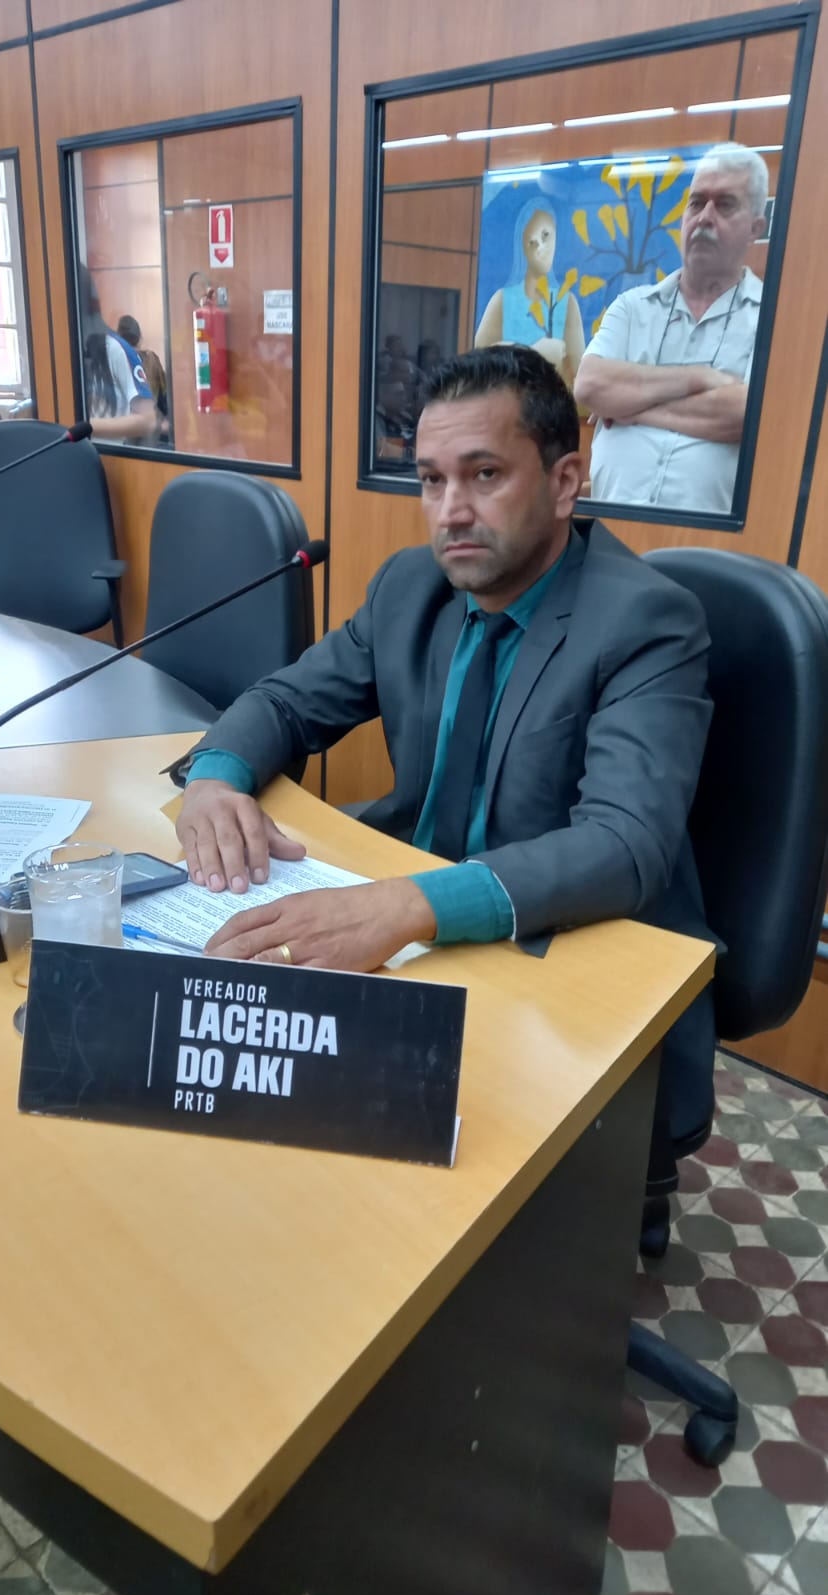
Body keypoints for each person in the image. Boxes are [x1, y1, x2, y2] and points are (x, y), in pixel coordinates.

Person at [173, 344, 715, 1156]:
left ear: (566, 481)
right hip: (411, 949)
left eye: (484, 474)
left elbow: (624, 844)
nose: (451, 511)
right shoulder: (411, 586)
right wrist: (215, 780)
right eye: (432, 480)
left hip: (556, 968)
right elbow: (287, 701)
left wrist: (407, 906)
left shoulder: (647, 621)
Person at [574, 142, 769, 513]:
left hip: (712, 540)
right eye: (696, 203)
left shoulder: (770, 319)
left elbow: (745, 414)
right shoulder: (632, 307)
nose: (705, 217)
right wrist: (701, 379)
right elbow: (590, 386)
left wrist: (630, 407)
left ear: (755, 229)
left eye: (725, 205)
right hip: (610, 529)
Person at [474, 205, 586, 387]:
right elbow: (480, 362)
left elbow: (578, 374)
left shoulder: (567, 303)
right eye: (533, 241)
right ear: (522, 246)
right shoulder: (502, 301)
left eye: (546, 236)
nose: (541, 248)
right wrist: (535, 352)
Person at [77, 266, 156, 445]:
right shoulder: (64, 352)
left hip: (109, 454)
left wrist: (84, 425)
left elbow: (147, 420)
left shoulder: (114, 348)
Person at [117, 314, 170, 441]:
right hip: (152, 435)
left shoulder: (114, 361)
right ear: (140, 338)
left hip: (124, 435)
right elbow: (164, 399)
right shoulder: (152, 359)